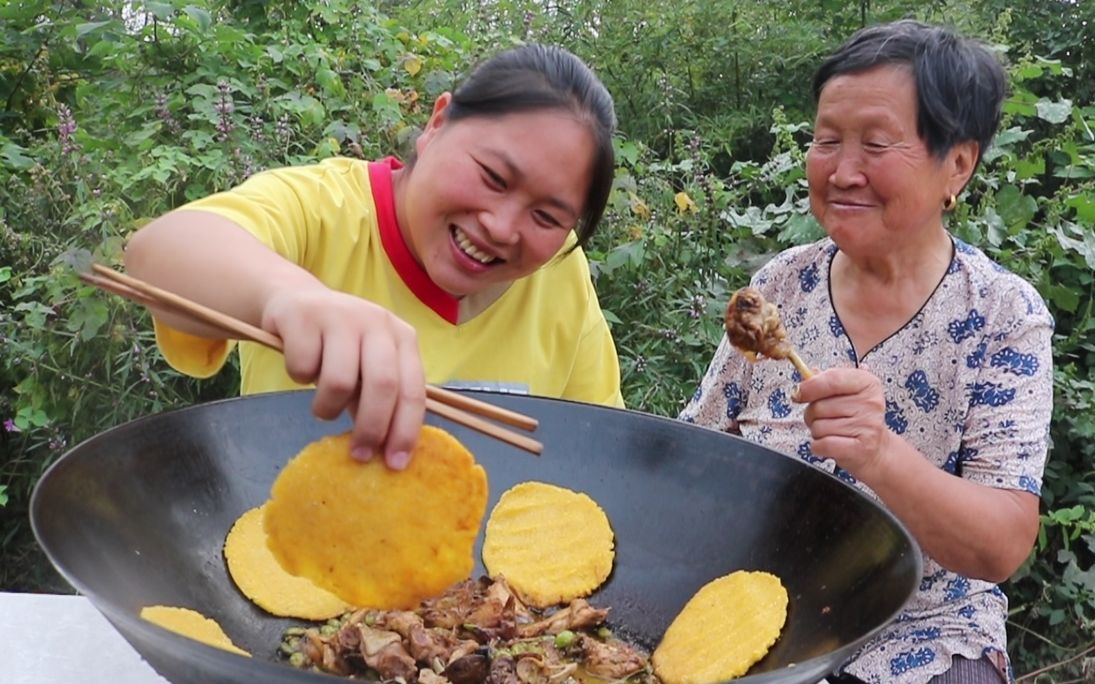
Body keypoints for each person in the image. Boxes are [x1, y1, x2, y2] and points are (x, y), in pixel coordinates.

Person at [681, 20, 1052, 684]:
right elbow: (698, 450)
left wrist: (879, 454)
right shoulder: (778, 287)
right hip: (763, 604)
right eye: (826, 140)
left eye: (875, 144)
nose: (841, 170)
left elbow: (998, 546)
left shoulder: (1002, 315)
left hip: (921, 630)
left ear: (957, 164)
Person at [125, 44, 623, 470]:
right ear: (437, 123)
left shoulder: (558, 274)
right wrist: (290, 296)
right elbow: (161, 252)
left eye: (546, 217)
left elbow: (598, 453)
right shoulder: (322, 210)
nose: (501, 227)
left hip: (489, 577)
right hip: (289, 562)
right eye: (493, 177)